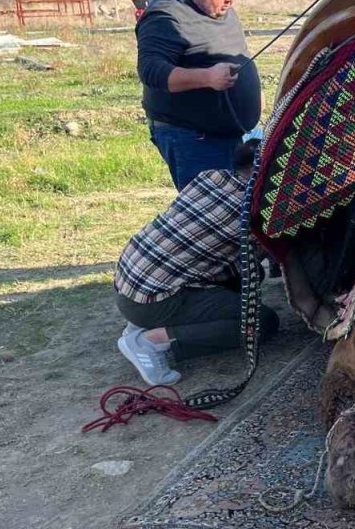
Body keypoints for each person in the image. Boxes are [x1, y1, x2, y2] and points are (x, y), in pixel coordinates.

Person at [113, 137, 278, 386]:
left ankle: (146, 325)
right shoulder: (251, 215)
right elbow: (281, 257)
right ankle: (155, 342)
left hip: (128, 284)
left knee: (245, 278)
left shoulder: (210, 177)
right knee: (262, 322)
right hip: (153, 301)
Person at [136, 0, 260, 190]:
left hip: (240, 132)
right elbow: (151, 71)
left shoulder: (219, 7)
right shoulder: (166, 16)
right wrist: (208, 77)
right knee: (214, 215)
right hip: (195, 140)